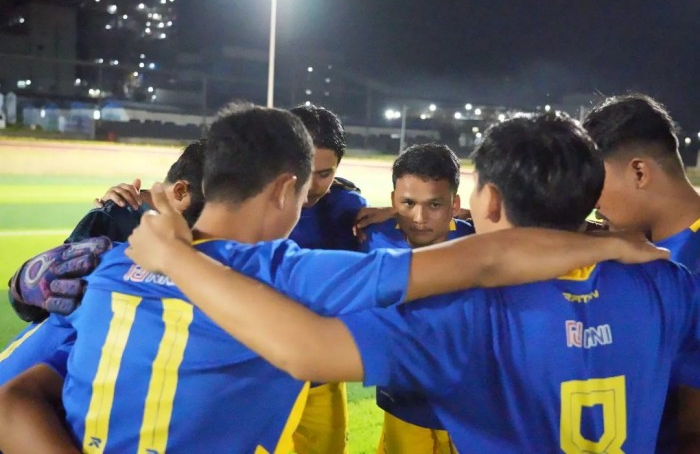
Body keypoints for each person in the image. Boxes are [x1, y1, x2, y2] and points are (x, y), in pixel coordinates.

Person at [0, 107, 667, 454]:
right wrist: (605, 240)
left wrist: (33, 282)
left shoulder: (109, 268)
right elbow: (488, 260)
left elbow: (12, 399)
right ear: (286, 190)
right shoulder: (291, 273)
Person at [90, 104, 366, 453]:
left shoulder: (347, 207)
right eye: (303, 170)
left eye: (324, 173)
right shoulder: (242, 197)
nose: (310, 185)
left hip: (317, 373)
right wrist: (125, 203)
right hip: (246, 366)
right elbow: (183, 206)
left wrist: (401, 217)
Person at [0, 140, 206, 386]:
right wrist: (23, 287)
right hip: (49, 370)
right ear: (181, 191)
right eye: (208, 208)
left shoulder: (176, 233)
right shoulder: (116, 216)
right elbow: (44, 296)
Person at [583, 94, 700, 452]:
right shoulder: (633, 244)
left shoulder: (689, 266)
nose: (591, 202)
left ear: (639, 172)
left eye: (595, 184)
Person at [361, 143, 470, 453]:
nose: (419, 217)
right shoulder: (371, 235)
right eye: (408, 202)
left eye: (434, 204)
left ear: (454, 204)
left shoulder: (478, 240)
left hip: (465, 402)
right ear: (393, 200)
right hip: (403, 399)